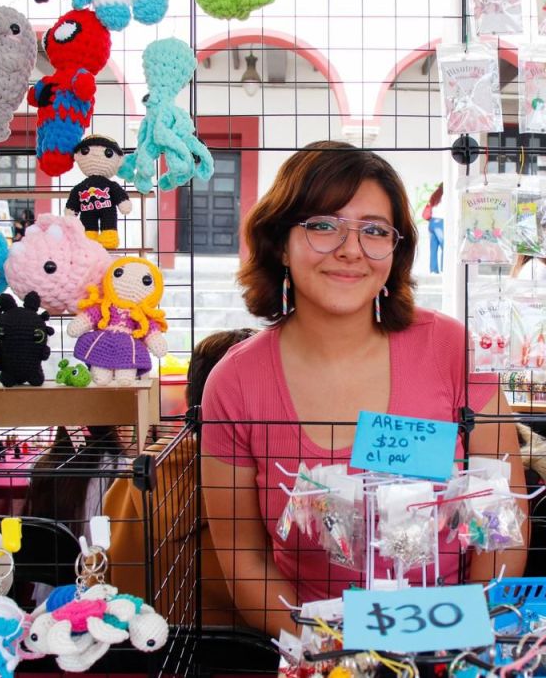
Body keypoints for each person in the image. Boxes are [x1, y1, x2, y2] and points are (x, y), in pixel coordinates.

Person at [201, 141, 526, 639]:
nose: (351, 249)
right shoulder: (235, 382)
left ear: (395, 252)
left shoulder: (450, 350)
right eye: (323, 225)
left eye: (374, 231)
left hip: (451, 643)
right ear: (280, 242)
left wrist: (461, 637)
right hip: (317, 652)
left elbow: (502, 529)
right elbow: (244, 561)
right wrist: (333, 650)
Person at [102, 328, 258, 625]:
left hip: (135, 640)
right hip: (242, 648)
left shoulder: (133, 473)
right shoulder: (259, 486)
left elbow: (98, 574)